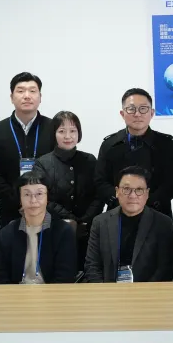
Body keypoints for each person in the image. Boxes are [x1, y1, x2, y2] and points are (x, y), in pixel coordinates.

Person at [31, 111, 103, 273]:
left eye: (73, 131)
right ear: (54, 134)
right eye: (62, 131)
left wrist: (85, 221)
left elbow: (99, 194)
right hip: (54, 230)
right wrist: (70, 220)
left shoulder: (90, 160)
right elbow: (42, 198)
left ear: (79, 133)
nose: (68, 136)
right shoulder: (42, 163)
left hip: (89, 232)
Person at [95, 88, 173, 220]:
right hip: (117, 214)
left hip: (157, 214)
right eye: (131, 109)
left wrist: (145, 202)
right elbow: (100, 181)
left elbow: (172, 182)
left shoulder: (165, 144)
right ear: (122, 113)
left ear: (152, 113)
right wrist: (123, 201)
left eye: (143, 109)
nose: (137, 114)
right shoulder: (110, 144)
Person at [0, 72, 55, 224]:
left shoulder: (54, 129)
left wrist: (42, 201)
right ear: (11, 97)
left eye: (32, 91)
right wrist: (18, 201)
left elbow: (59, 169)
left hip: (48, 211)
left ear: (40, 97)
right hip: (10, 211)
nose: (27, 96)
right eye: (21, 91)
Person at [85, 166, 173, 283]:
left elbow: (165, 267)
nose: (132, 195)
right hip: (108, 290)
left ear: (147, 193)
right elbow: (92, 265)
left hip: (149, 291)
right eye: (126, 189)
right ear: (117, 191)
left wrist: (144, 291)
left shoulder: (163, 224)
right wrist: (105, 291)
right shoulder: (100, 222)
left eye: (139, 190)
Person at [0, 171, 77, 284]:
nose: (33, 200)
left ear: (47, 197)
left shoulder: (63, 231)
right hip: (16, 292)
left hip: (52, 292)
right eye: (27, 194)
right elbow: (0, 277)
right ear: (20, 199)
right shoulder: (7, 233)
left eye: (39, 194)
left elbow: (65, 277)